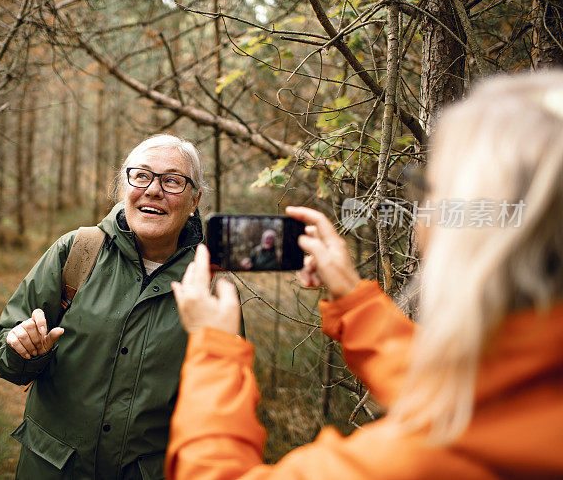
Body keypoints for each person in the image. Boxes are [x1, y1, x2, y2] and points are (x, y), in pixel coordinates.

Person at [166, 71, 563, 479]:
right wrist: (354, 301)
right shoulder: (533, 388)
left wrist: (214, 347)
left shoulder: (419, 460)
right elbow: (473, 392)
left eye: (429, 190)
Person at [0, 134, 213, 479]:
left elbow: (218, 405)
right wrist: (23, 351)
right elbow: (5, 354)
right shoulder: (77, 251)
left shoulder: (210, 285)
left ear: (195, 199)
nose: (153, 190)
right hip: (53, 468)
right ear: (125, 186)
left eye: (172, 180)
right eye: (141, 176)